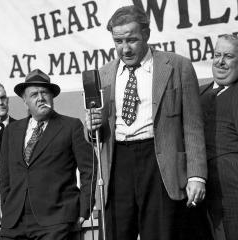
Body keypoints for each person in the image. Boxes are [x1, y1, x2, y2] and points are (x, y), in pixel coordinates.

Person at [85, 5, 207, 240]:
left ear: (147, 35)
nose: (125, 48)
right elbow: (95, 135)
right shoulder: (103, 74)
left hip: (160, 162)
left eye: (132, 40)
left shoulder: (177, 67)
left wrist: (196, 176)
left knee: (160, 233)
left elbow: (193, 126)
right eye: (118, 41)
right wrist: (91, 127)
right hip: (118, 162)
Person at [0, 69, 97, 240]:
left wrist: (84, 209)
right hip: (14, 223)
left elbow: (90, 169)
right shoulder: (11, 131)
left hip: (56, 222)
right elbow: (5, 177)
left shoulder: (71, 126)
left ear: (52, 96)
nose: (40, 98)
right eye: (34, 94)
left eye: (44, 92)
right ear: (25, 100)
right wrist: (8, 209)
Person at [200, 34, 238, 240]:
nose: (220, 61)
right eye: (217, 55)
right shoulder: (198, 93)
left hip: (232, 193)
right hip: (201, 197)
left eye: (229, 56)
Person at [0, 83, 15, 227]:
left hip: (14, 202)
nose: (0, 102)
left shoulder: (21, 128)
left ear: (8, 100)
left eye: (3, 98)